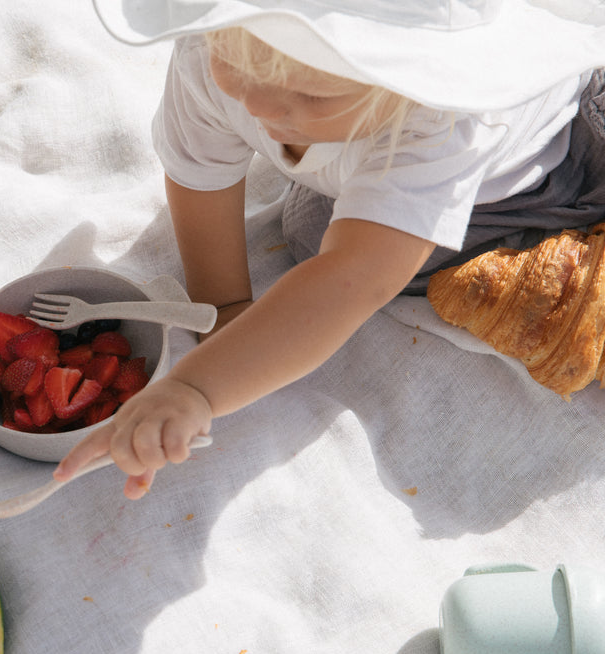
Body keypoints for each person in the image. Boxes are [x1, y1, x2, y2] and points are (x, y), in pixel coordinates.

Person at [55, 0, 605, 499]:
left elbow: (353, 279)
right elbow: (199, 172)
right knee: (313, 233)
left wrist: (196, 389)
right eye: (233, 60)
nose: (254, 100)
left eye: (311, 95)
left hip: (569, 152)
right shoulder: (221, 39)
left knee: (329, 247)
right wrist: (222, 307)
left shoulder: (442, 117)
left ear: (403, 84)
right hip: (433, 166)